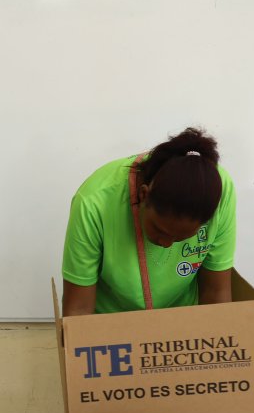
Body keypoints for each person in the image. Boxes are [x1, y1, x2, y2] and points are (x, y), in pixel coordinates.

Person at [61, 127, 235, 316]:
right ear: (144, 195)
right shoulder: (93, 202)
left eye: (181, 239)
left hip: (181, 323)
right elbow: (78, 309)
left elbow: (216, 293)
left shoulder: (219, 192)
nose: (166, 244)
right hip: (110, 325)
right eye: (160, 230)